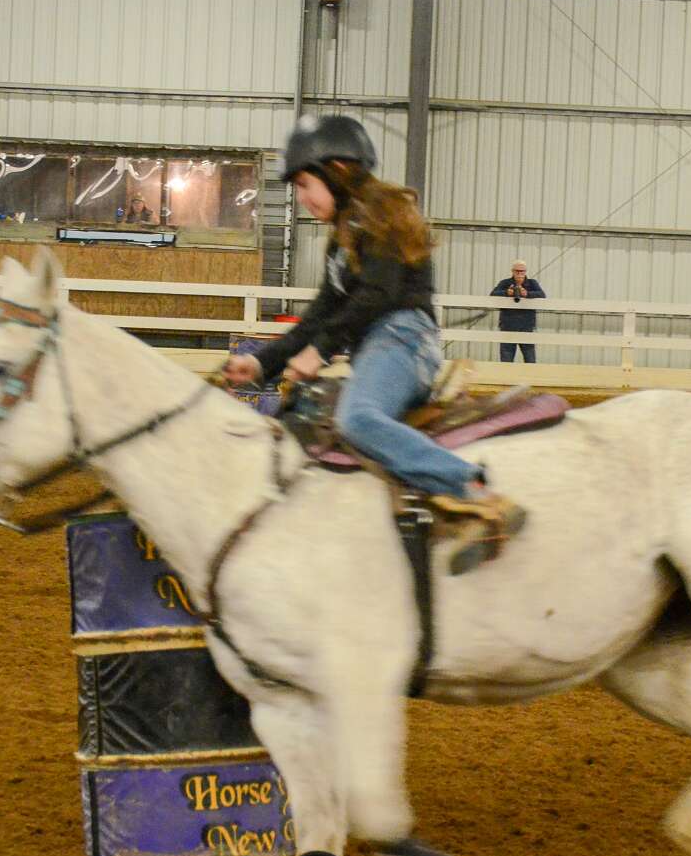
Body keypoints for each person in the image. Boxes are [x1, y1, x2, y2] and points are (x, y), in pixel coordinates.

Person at [222, 115, 526, 575]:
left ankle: (472, 489)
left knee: (358, 419)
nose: (302, 198)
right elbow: (319, 315)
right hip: (376, 347)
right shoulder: (343, 238)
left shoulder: (382, 213)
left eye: (305, 184)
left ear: (338, 170)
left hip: (403, 339)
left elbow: (377, 295)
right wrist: (262, 364)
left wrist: (320, 351)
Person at [489, 260, 545, 363]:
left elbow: (542, 295)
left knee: (529, 357)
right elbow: (493, 294)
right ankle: (506, 373)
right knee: (507, 357)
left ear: (525, 271)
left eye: (522, 271)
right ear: (512, 271)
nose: (519, 273)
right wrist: (506, 292)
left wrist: (527, 294)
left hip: (526, 325)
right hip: (508, 324)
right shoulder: (505, 283)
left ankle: (530, 374)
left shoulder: (532, 283)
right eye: (517, 271)